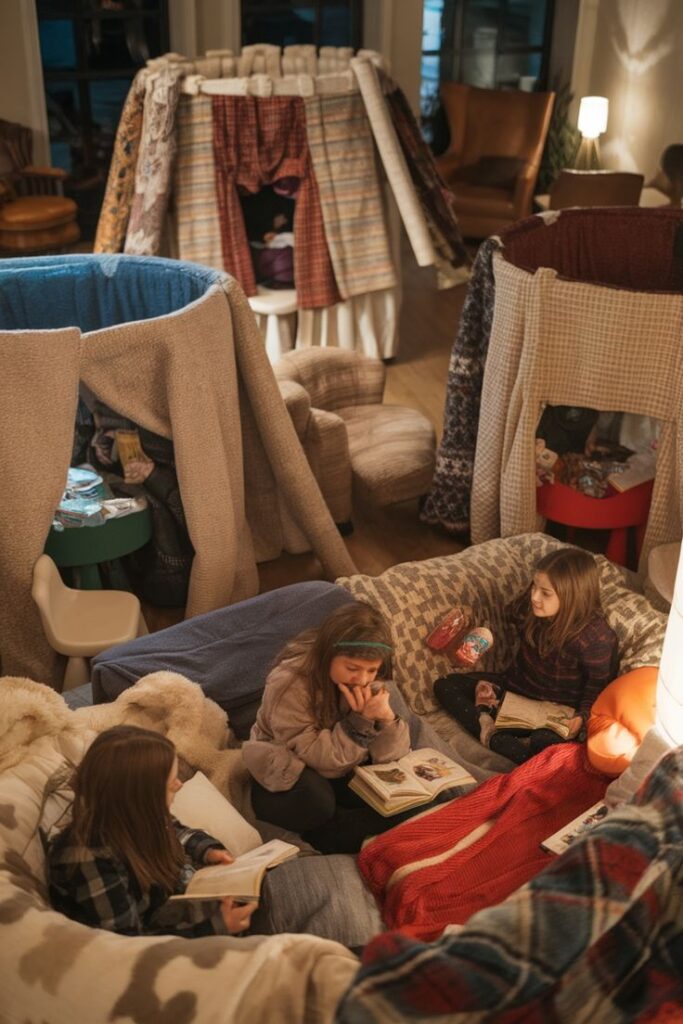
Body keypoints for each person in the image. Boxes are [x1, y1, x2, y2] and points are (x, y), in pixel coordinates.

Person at [48, 725, 256, 938]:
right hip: (166, 945)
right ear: (140, 797)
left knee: (279, 886)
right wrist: (215, 927)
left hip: (179, 908)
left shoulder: (132, 818)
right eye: (169, 783)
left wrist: (207, 850)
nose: (179, 785)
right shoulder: (90, 858)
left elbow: (172, 829)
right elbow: (127, 941)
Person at [242, 601, 416, 854]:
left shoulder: (367, 680)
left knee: (396, 792)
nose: (363, 679)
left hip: (339, 764)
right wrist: (361, 723)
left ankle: (364, 827)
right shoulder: (289, 683)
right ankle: (330, 834)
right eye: (352, 669)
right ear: (328, 654)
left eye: (372, 670)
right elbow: (316, 756)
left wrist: (387, 719)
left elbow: (393, 758)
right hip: (285, 770)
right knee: (319, 800)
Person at [434, 547, 619, 765]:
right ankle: (496, 734)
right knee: (445, 685)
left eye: (545, 593)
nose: (534, 597)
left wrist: (582, 717)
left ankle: (502, 740)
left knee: (545, 741)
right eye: (534, 586)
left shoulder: (597, 638)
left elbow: (597, 688)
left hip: (554, 712)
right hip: (514, 692)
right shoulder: (531, 606)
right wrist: (472, 620)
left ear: (573, 598)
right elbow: (505, 616)